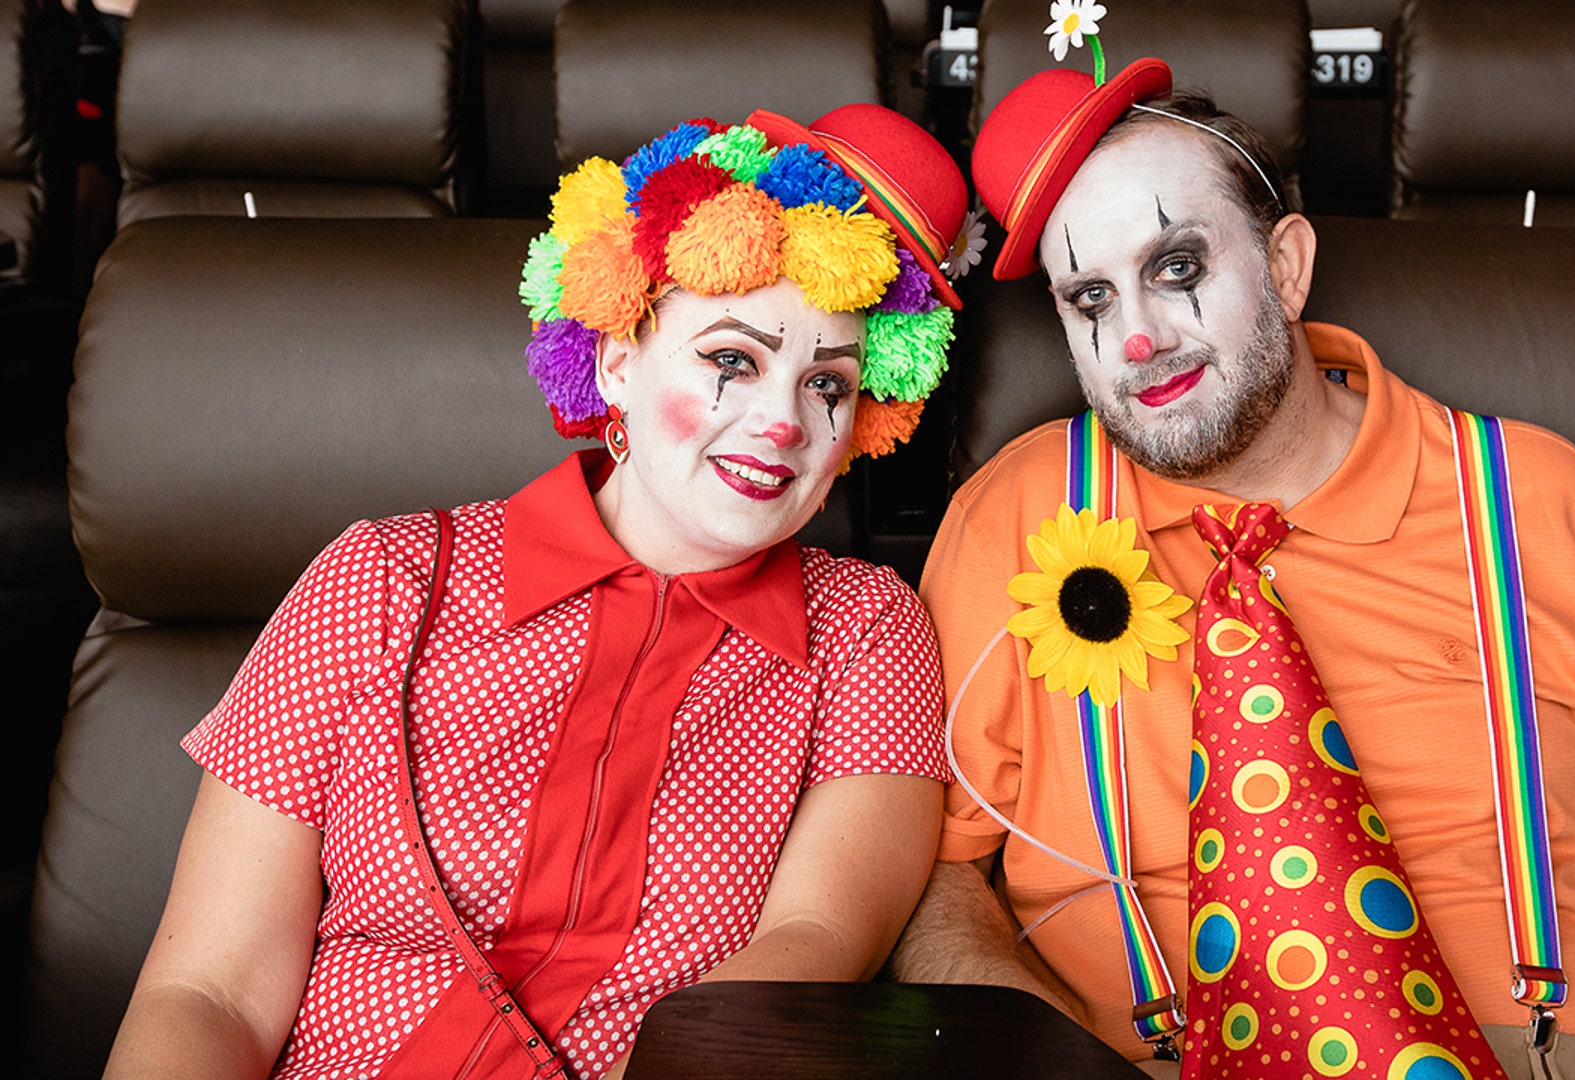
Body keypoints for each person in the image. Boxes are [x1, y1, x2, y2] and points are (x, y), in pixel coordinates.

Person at [890, 51, 1575, 1080]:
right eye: (1089, 298)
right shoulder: (1010, 514)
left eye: (1177, 269)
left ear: (1288, 265)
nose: (1135, 340)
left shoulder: (1547, 499)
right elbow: (938, 878)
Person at [104, 103, 972, 1080]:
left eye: (829, 386)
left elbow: (807, 955)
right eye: (733, 360)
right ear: (617, 360)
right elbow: (208, 993)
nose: (783, 422)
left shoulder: (868, 629)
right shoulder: (378, 579)